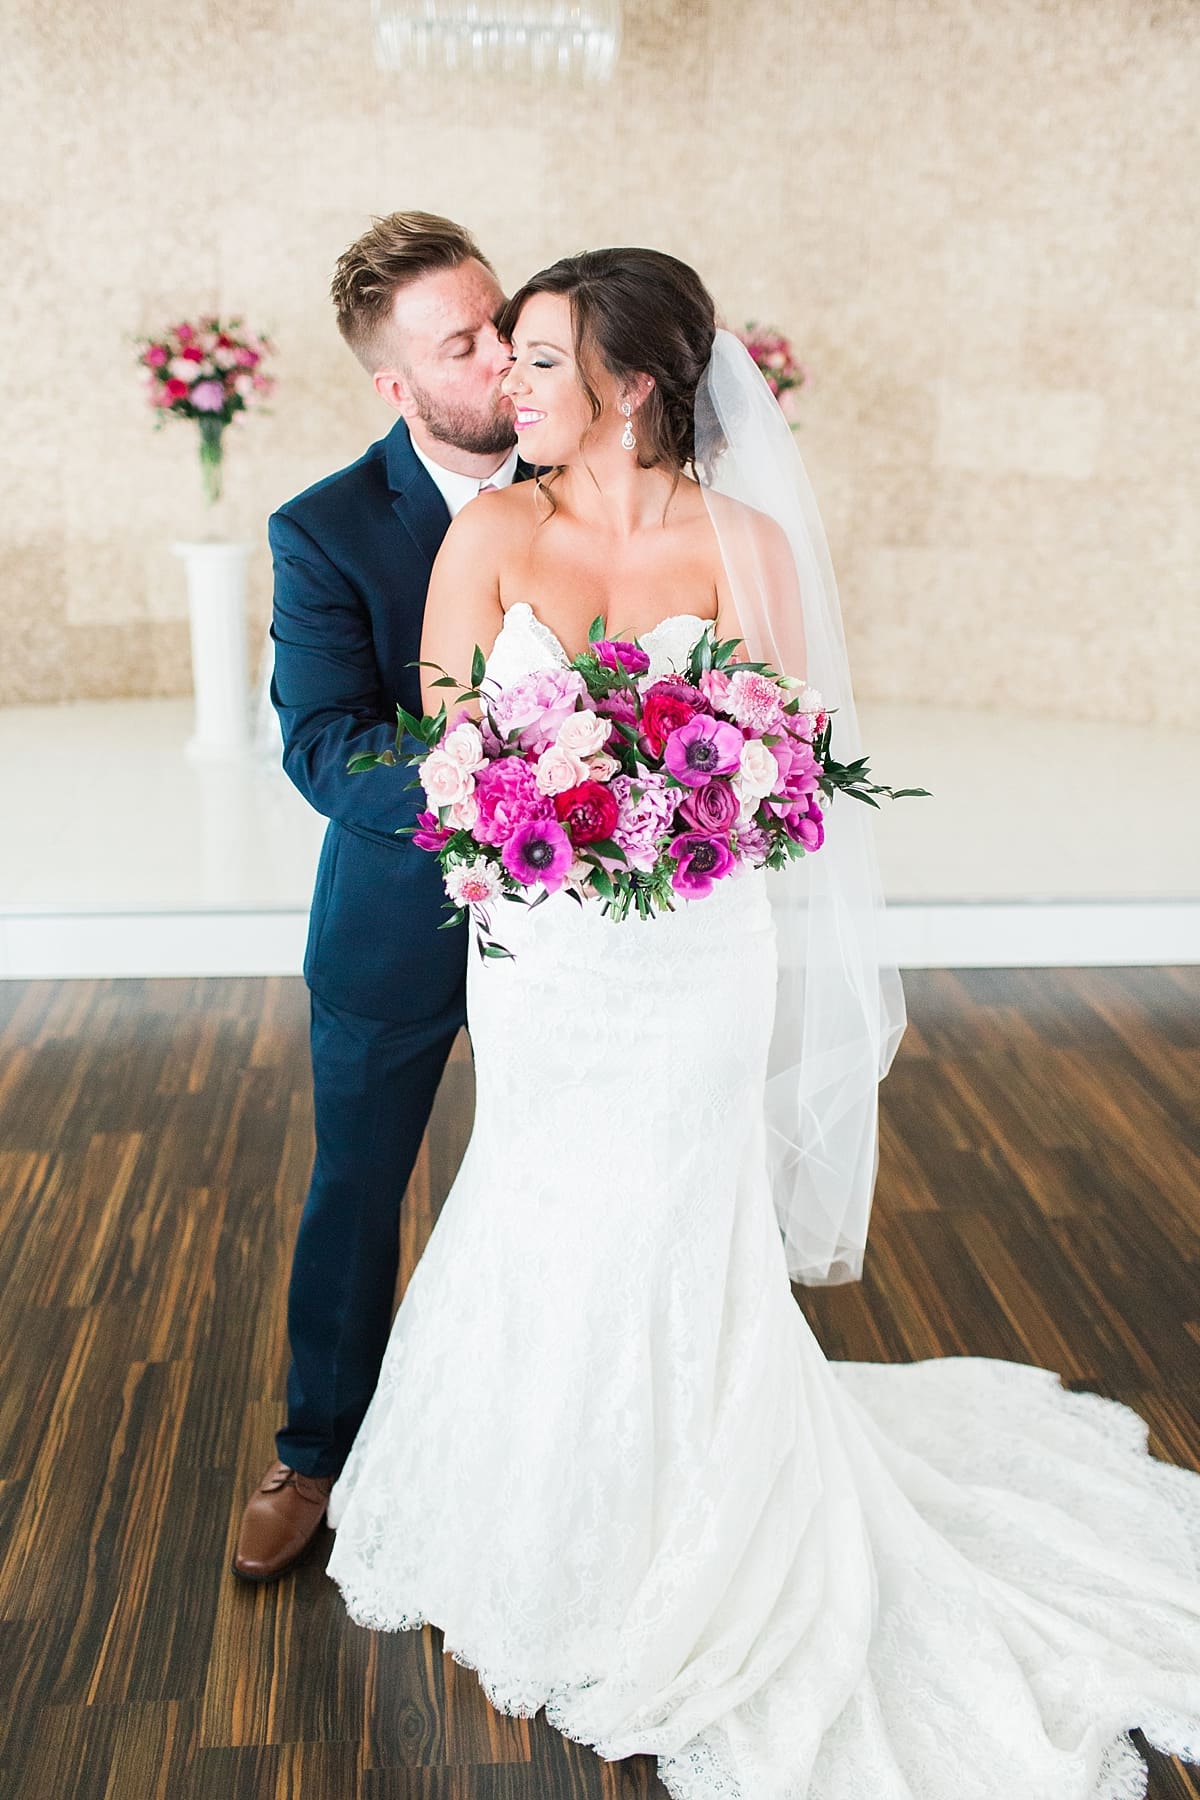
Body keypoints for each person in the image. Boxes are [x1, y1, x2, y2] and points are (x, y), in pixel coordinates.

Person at [325, 248, 1200, 1796]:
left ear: (633, 384)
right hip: (547, 952)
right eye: (508, 360)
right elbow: (459, 763)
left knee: (678, 1215)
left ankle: (707, 1516)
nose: (508, 391)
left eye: (539, 362)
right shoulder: (492, 536)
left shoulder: (747, 543)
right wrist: (567, 808)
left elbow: (785, 774)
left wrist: (681, 808)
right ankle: (545, 1514)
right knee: (543, 1202)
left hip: (693, 961)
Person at [233, 213, 525, 1583]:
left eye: (501, 315)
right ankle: (315, 1452)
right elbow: (324, 748)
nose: (505, 352)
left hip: (591, 928)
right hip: (395, 919)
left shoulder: (602, 476)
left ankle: (543, 1446)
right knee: (357, 1186)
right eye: (462, 342)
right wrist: (521, 775)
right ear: (395, 386)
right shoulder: (325, 529)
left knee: (559, 1181)